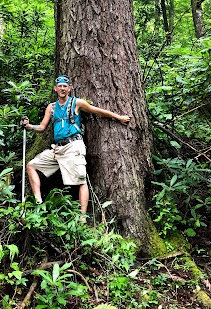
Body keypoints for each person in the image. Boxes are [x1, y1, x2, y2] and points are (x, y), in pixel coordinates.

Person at [22, 75, 130, 217]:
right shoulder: (52, 107)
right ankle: (38, 200)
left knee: (81, 180)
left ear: (69, 88)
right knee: (31, 165)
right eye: (59, 86)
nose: (62, 88)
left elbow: (96, 110)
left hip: (73, 146)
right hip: (58, 148)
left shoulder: (76, 102)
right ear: (55, 89)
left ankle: (82, 218)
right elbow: (42, 127)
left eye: (64, 86)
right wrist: (28, 126)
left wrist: (118, 117)